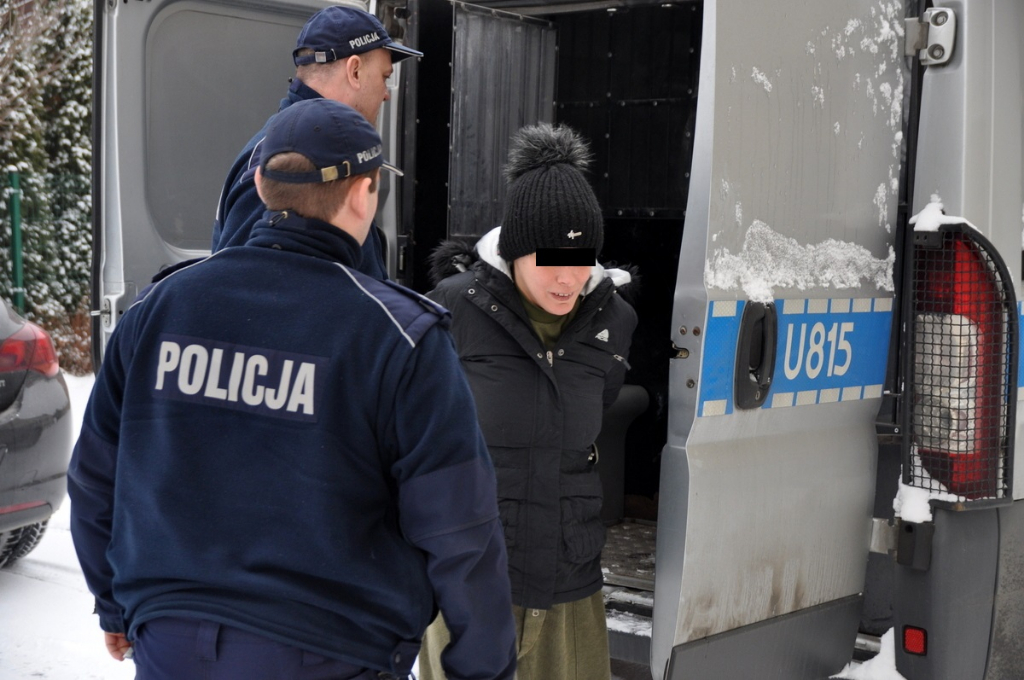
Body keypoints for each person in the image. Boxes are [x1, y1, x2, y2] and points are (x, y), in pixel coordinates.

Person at [68, 98, 517, 680]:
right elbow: (461, 527)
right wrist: (482, 667)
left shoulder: (158, 309)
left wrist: (115, 603)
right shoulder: (397, 336)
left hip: (171, 644)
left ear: (258, 183)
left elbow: (94, 477)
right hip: (331, 649)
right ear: (365, 192)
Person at [419, 123, 638, 680]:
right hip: (469, 577)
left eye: (581, 259)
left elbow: (589, 417)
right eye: (549, 260)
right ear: (515, 253)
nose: (568, 279)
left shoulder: (613, 320)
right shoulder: (450, 311)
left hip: (570, 575)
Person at [210, 4, 422, 280]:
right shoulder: (287, 160)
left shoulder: (307, 146)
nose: (386, 95)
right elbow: (242, 289)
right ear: (355, 71)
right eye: (384, 78)